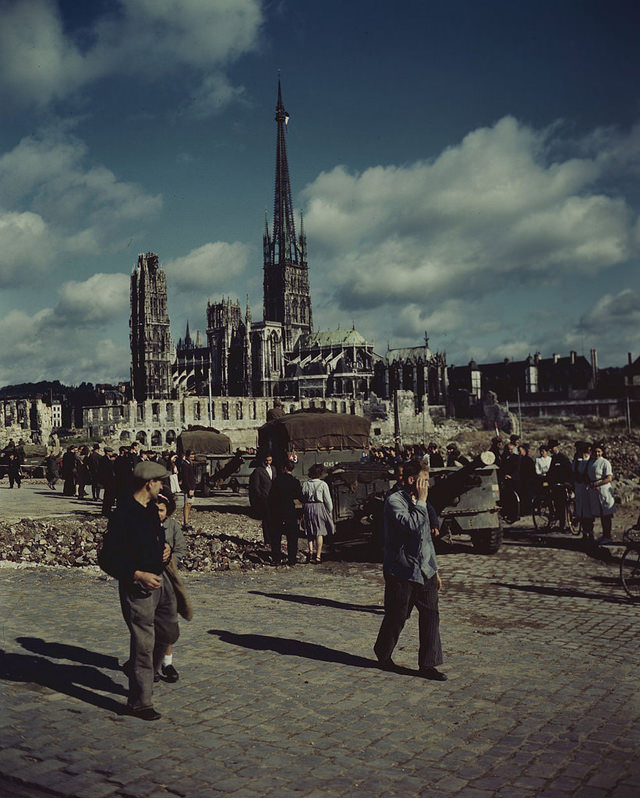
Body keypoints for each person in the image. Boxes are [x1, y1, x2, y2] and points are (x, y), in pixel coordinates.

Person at [105, 461, 179, 721]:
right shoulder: (124, 513)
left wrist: (166, 548)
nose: (162, 486)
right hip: (139, 587)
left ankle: (142, 670)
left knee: (169, 631)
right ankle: (140, 702)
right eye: (160, 481)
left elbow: (156, 538)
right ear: (150, 483)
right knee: (144, 644)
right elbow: (107, 558)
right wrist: (137, 574)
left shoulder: (150, 509)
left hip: (161, 581)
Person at [373, 459, 446, 681]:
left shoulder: (422, 501)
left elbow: (426, 541)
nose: (427, 485)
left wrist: (435, 570)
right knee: (397, 616)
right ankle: (383, 652)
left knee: (431, 616)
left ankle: (428, 665)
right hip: (402, 572)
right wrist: (422, 503)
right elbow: (412, 526)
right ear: (413, 480)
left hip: (425, 571)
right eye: (424, 480)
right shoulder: (395, 501)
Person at [156, 494, 187, 682]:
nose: (157, 513)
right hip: (147, 582)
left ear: (167, 512)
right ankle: (145, 664)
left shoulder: (173, 527)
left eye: (161, 510)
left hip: (168, 581)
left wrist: (169, 559)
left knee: (168, 624)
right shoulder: (142, 524)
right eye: (155, 509)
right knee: (147, 625)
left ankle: (167, 663)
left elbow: (181, 550)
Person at [269, 459, 304, 565]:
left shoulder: (277, 480)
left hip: (277, 510)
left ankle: (276, 559)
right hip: (290, 510)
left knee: (276, 536)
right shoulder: (295, 482)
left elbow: (271, 497)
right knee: (292, 536)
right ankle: (292, 559)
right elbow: (300, 497)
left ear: (284, 468)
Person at [302, 464, 335, 564]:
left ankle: (310, 552)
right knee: (319, 532)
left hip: (308, 506)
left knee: (310, 530)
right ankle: (318, 556)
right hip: (319, 507)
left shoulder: (305, 484)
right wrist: (329, 511)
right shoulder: (323, 484)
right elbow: (327, 500)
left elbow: (303, 497)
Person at [586, 443, 616, 544]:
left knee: (606, 514)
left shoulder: (605, 462)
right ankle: (603, 535)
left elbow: (609, 478)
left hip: (603, 489)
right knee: (599, 513)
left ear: (602, 452)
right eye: (595, 451)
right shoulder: (591, 462)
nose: (597, 453)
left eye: (599, 451)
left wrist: (598, 483)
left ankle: (607, 536)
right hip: (594, 490)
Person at [249, 453, 276, 544]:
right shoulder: (258, 471)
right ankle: (267, 540)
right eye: (267, 460)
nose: (268, 462)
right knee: (266, 519)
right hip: (264, 498)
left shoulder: (273, 469)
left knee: (273, 519)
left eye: (270, 460)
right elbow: (256, 486)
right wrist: (260, 497)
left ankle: (273, 539)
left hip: (273, 498)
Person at [548, 439, 573, 531]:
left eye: (552, 448)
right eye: (550, 448)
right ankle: (560, 523)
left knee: (562, 505)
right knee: (557, 505)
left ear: (557, 447)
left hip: (562, 485)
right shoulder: (553, 458)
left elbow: (569, 471)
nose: (551, 450)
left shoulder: (563, 458)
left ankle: (564, 524)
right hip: (555, 485)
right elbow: (551, 472)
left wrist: (567, 482)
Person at [572, 441, 592, 539]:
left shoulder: (589, 461)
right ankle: (584, 532)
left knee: (588, 511)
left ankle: (590, 532)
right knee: (581, 511)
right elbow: (573, 473)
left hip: (587, 488)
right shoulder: (576, 461)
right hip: (579, 487)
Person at [179, 450, 197, 531]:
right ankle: (185, 523)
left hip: (191, 487)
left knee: (189, 504)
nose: (192, 457)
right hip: (189, 488)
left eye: (193, 456)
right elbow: (185, 478)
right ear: (187, 456)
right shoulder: (185, 464)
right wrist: (190, 488)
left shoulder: (188, 463)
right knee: (187, 504)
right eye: (191, 456)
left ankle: (186, 522)